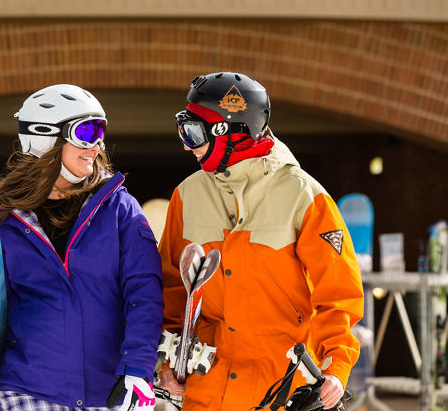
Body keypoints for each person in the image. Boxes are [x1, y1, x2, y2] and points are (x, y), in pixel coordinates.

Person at [156, 72, 364, 410]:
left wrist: (336, 368)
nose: (185, 144)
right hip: (208, 390)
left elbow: (338, 294)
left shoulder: (304, 196)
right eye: (183, 130)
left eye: (193, 132)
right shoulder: (187, 195)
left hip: (281, 390)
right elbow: (171, 291)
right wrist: (168, 364)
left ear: (229, 132)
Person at [0, 84, 164, 411]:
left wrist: (138, 366)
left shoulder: (119, 209)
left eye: (100, 131)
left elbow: (144, 292)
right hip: (28, 389)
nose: (96, 145)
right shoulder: (2, 221)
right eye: (85, 132)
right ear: (45, 139)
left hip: (109, 392)